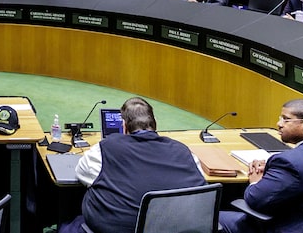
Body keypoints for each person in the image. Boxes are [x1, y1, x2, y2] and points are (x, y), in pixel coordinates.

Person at [61, 97, 206, 233]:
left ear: (123, 126)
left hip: (121, 228)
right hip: (181, 227)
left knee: (67, 222)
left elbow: (81, 173)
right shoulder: (183, 150)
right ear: (155, 125)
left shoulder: (105, 148)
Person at [219, 99, 303, 233]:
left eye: (286, 119)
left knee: (214, 218)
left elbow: (256, 200)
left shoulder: (290, 163)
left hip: (290, 227)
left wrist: (255, 181)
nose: (279, 124)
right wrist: (273, 168)